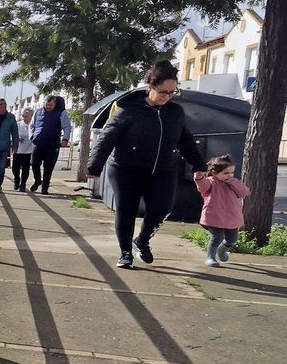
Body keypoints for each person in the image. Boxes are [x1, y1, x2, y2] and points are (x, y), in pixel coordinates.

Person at [85, 60, 206, 269]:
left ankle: (141, 240)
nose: (167, 97)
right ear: (150, 87)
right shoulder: (128, 110)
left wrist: (199, 165)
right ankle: (125, 253)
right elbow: (107, 139)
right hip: (125, 169)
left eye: (172, 93)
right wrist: (94, 166)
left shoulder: (175, 112)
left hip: (163, 170)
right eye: (163, 92)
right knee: (127, 210)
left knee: (163, 208)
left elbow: (185, 139)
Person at [195, 154, 251, 266]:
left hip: (232, 217)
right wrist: (199, 177)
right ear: (215, 173)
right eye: (226, 173)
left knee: (232, 238)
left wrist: (233, 182)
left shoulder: (234, 182)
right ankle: (211, 257)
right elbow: (202, 187)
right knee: (217, 237)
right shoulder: (211, 182)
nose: (230, 175)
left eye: (232, 172)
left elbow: (244, 192)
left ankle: (221, 250)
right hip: (214, 216)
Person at [30, 95, 73, 194]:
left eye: (50, 105)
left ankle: (45, 187)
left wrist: (65, 139)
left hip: (52, 144)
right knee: (34, 163)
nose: (48, 106)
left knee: (48, 167)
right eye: (46, 104)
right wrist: (32, 136)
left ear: (55, 104)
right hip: (38, 142)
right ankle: (37, 180)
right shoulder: (38, 112)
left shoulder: (61, 113)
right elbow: (32, 126)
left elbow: (67, 127)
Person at [12, 108, 36, 192]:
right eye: (23, 116)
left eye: (26, 116)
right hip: (18, 150)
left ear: (31, 117)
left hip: (28, 151)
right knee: (15, 168)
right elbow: (12, 134)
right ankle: (16, 180)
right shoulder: (18, 124)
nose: (24, 118)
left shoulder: (33, 125)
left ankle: (23, 184)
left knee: (25, 169)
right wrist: (17, 138)